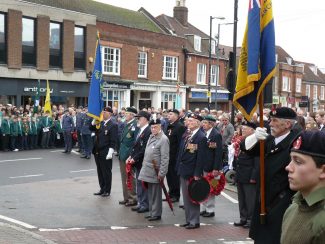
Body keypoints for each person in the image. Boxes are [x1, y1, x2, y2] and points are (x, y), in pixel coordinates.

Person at [242, 107, 301, 244]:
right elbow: (246, 149)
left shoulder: (295, 142)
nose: (270, 124)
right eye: (270, 120)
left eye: (275, 120)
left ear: (287, 124)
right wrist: (254, 136)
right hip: (264, 197)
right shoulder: (269, 140)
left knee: (274, 238)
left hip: (281, 201)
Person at [281, 130, 325, 244]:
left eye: (298, 161)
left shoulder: (321, 221)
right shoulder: (294, 207)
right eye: (291, 159)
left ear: (323, 170)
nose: (288, 167)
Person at [176, 113, 207, 229]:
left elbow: (201, 157)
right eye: (189, 121)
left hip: (192, 171)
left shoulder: (201, 137)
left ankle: (194, 221)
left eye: (192, 121)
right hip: (183, 169)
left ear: (198, 123)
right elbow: (181, 152)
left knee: (192, 197)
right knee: (185, 197)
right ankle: (188, 219)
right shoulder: (187, 134)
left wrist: (197, 173)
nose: (189, 123)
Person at [138, 116, 170, 221]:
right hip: (148, 169)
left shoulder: (163, 139)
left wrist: (162, 173)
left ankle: (156, 214)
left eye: (155, 127)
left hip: (156, 170)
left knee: (156, 194)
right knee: (150, 193)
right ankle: (152, 212)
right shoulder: (151, 136)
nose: (153, 129)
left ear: (160, 127)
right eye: (152, 127)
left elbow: (165, 158)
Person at [233, 121, 259, 229]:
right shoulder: (243, 141)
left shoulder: (256, 143)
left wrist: (254, 177)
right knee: (242, 199)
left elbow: (257, 162)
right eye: (242, 128)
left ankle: (250, 219)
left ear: (252, 131)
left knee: (250, 199)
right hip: (241, 174)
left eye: (245, 129)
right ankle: (243, 218)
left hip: (249, 176)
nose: (242, 130)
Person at [90, 106, 118, 197]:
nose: (102, 114)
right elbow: (91, 128)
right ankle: (102, 188)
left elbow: (113, 140)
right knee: (100, 171)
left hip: (106, 151)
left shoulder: (113, 125)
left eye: (104, 112)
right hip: (97, 151)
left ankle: (107, 190)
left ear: (109, 114)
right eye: (102, 112)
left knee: (106, 172)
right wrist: (94, 121)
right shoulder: (101, 123)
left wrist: (111, 151)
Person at [127, 111, 152, 213]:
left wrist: (135, 158)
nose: (137, 120)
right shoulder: (140, 129)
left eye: (139, 118)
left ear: (145, 119)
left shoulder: (148, 130)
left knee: (143, 184)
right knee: (138, 183)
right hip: (137, 161)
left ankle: (145, 204)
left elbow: (144, 148)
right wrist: (130, 156)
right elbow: (135, 146)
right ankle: (140, 202)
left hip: (142, 161)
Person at [200, 115, 223, 218]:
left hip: (212, 168)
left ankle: (210, 209)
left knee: (212, 188)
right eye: (203, 123)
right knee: (204, 188)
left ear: (211, 124)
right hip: (204, 166)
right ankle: (204, 208)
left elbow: (218, 153)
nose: (203, 125)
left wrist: (216, 169)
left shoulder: (216, 135)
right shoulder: (204, 133)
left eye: (205, 123)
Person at [118, 107, 139, 206]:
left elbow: (135, 142)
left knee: (130, 177)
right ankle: (126, 197)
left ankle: (133, 198)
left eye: (127, 113)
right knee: (124, 177)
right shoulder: (127, 124)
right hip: (123, 154)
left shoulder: (135, 125)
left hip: (128, 155)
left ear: (132, 115)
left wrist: (131, 155)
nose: (125, 115)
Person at [166, 109, 186, 202]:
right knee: (169, 175)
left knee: (174, 177)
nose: (168, 116)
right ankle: (170, 193)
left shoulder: (180, 127)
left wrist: (178, 157)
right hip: (168, 156)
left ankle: (175, 195)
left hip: (175, 157)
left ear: (176, 116)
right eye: (168, 114)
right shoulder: (169, 126)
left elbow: (180, 144)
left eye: (170, 114)